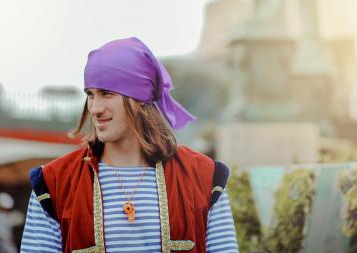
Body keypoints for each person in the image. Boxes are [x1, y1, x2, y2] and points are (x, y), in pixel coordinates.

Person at [20, 37, 238, 253]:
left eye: (107, 93)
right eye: (90, 95)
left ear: (140, 99)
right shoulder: (54, 182)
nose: (95, 108)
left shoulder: (204, 177)